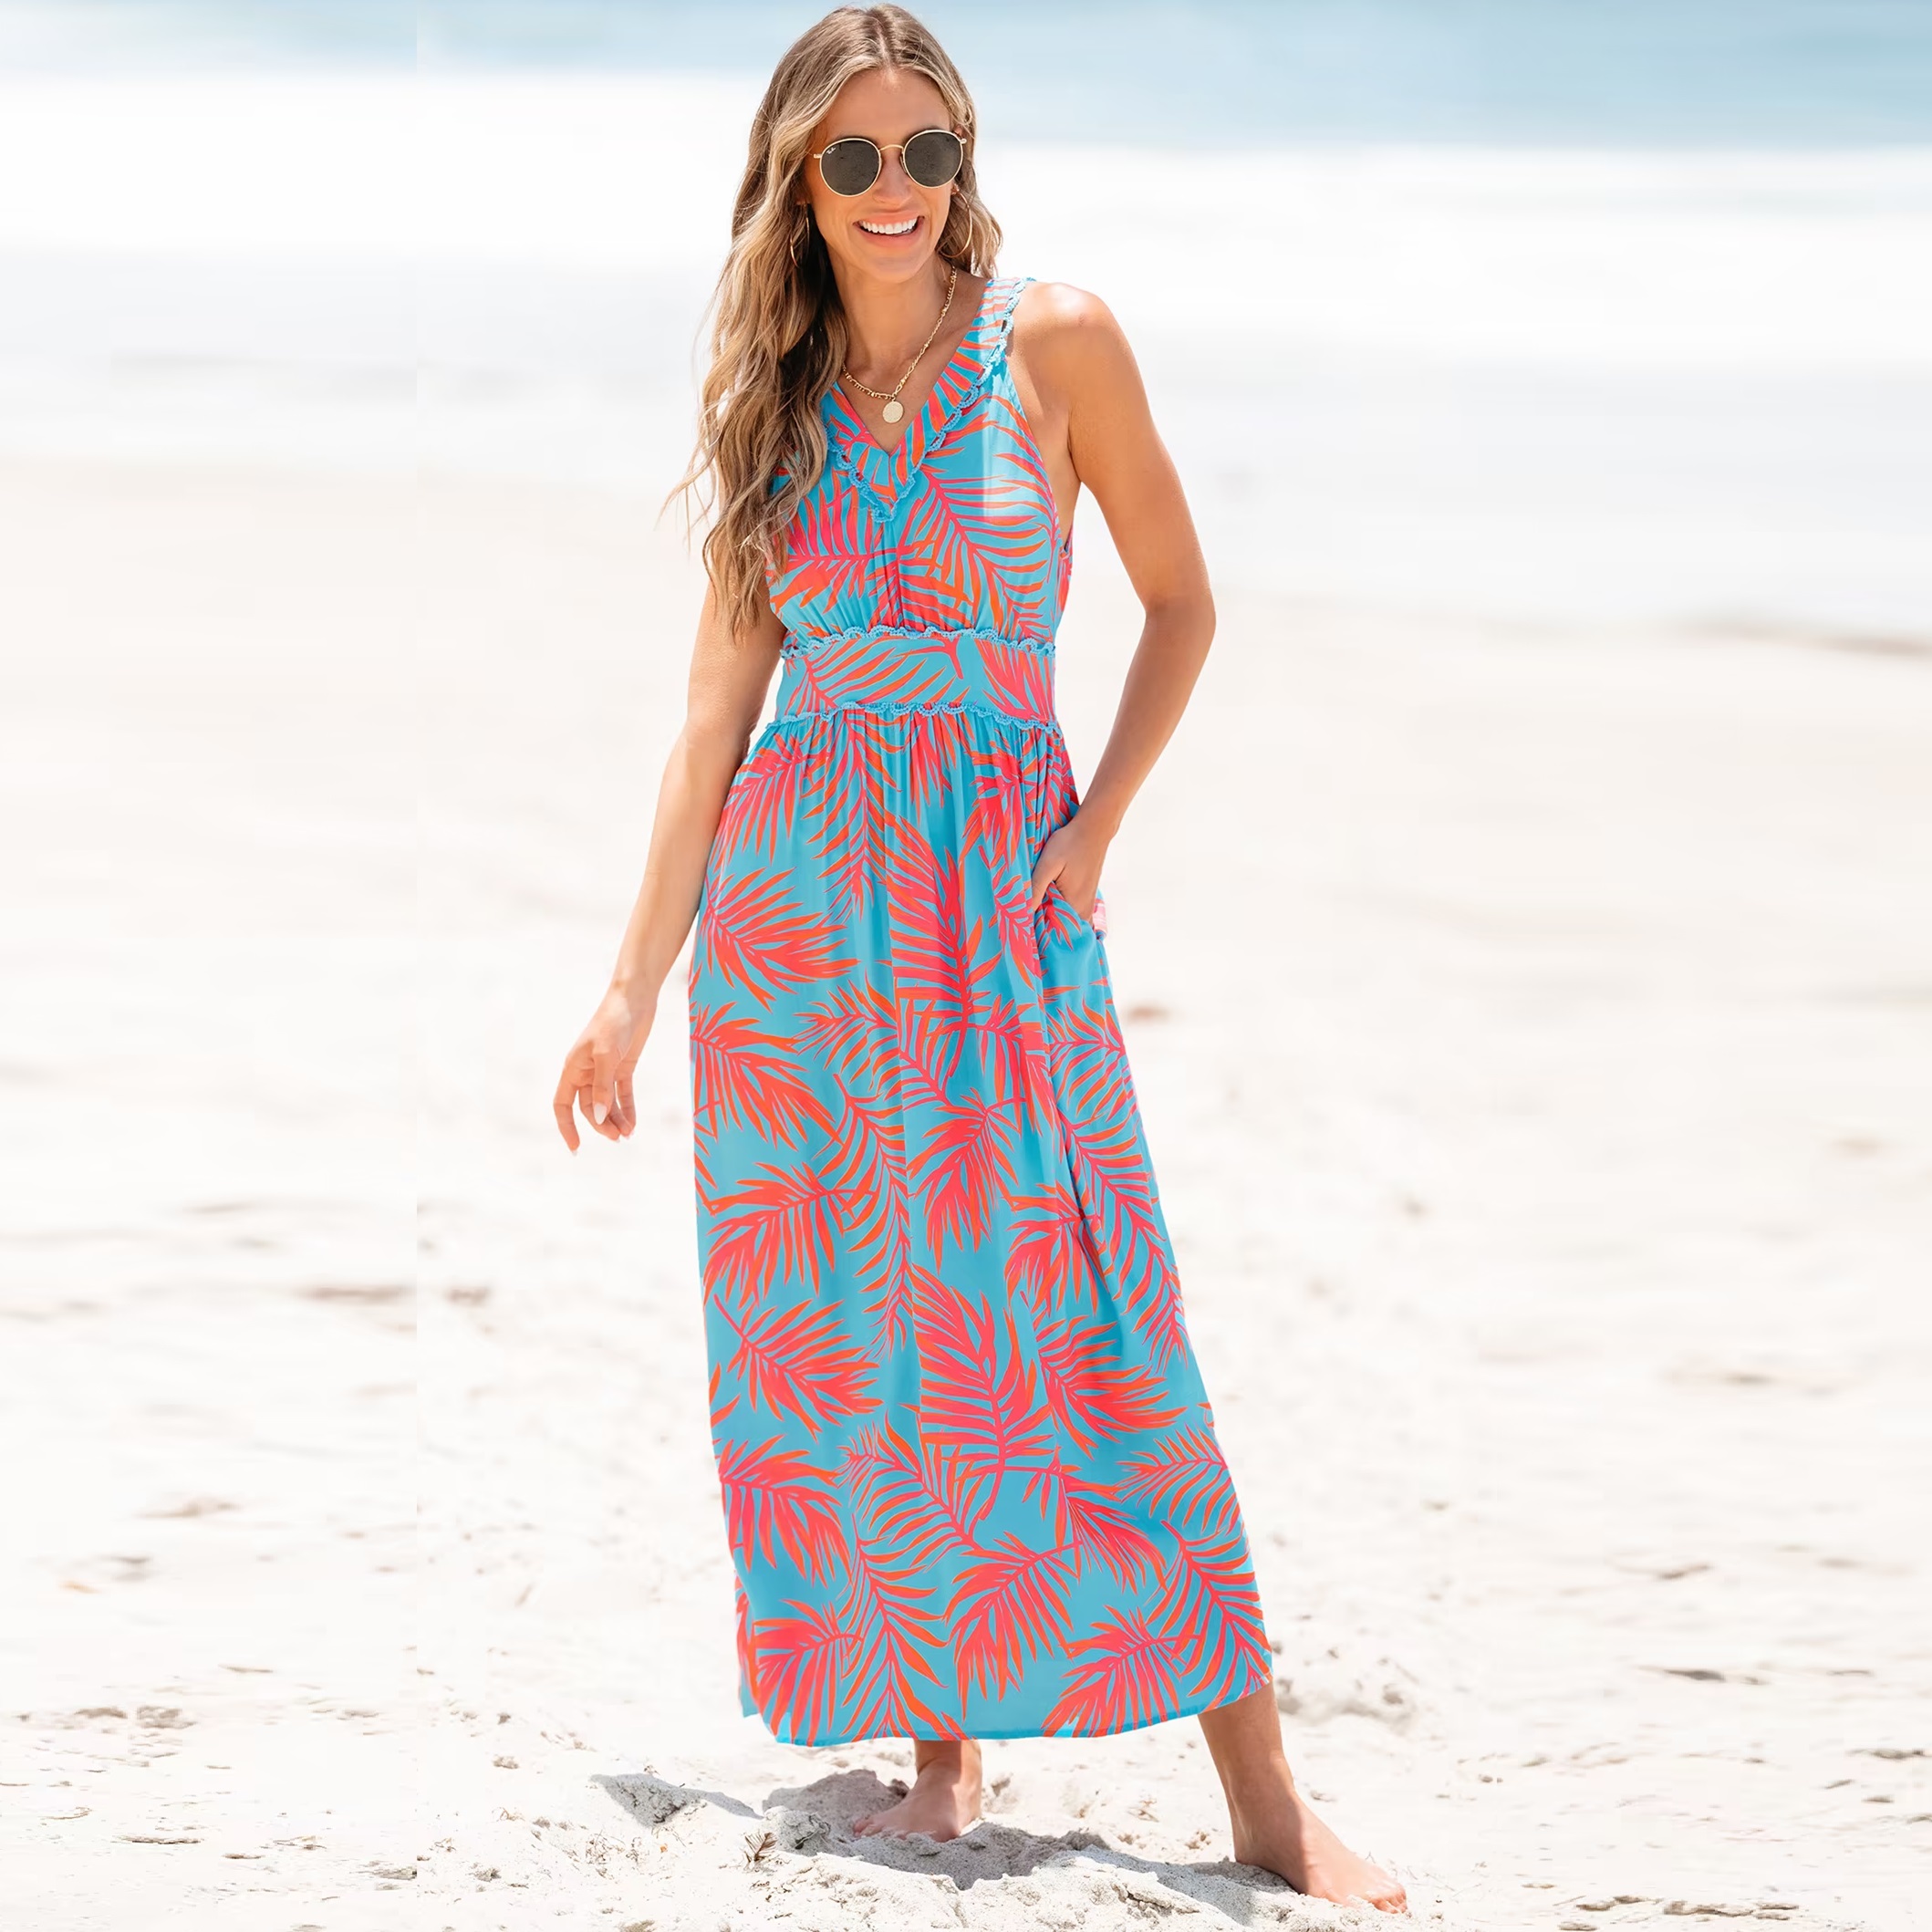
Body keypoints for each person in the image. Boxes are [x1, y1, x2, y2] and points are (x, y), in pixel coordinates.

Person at [553, 5, 1406, 1912]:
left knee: (1103, 1314)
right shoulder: (770, 412)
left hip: (1002, 913)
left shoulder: (1059, 342)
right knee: (867, 1336)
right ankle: (939, 1764)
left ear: (964, 157)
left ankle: (1266, 1801)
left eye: (924, 148)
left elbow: (1182, 600)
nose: (894, 190)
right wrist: (626, 989)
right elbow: (711, 725)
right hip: (799, 932)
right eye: (850, 158)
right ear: (797, 181)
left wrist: (1097, 828)